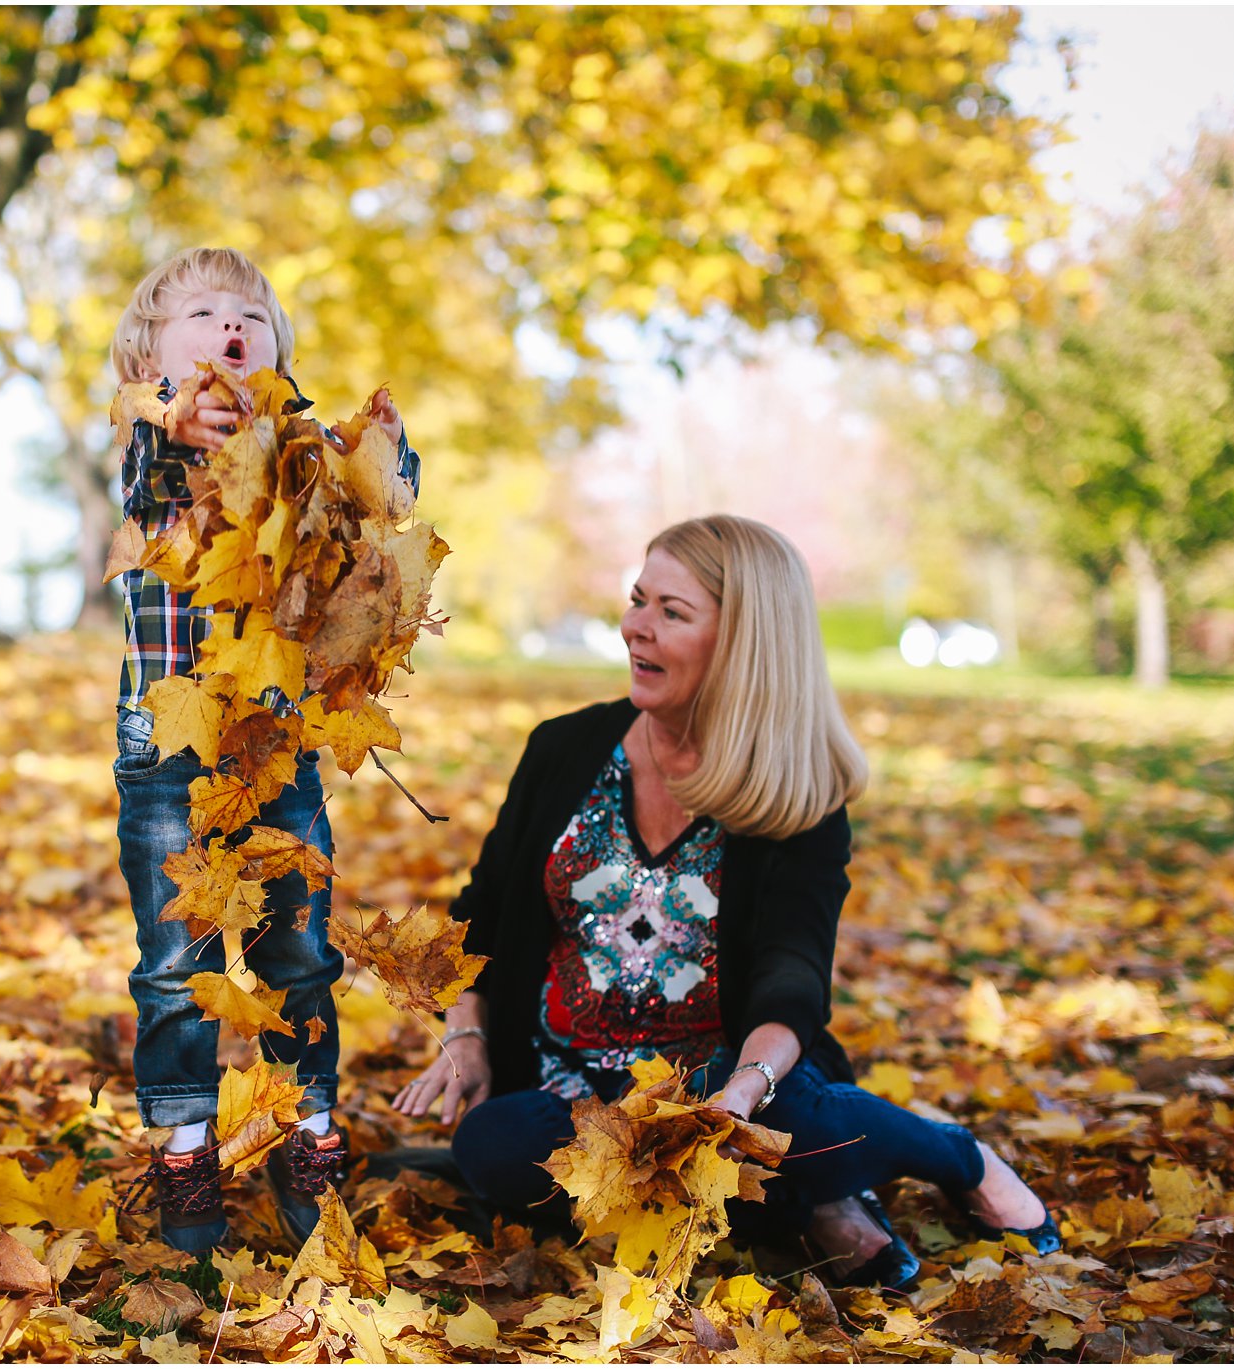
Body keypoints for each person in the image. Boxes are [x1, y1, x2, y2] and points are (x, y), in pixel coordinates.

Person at [393, 514, 1057, 1288]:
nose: (634, 627)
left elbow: (792, 971)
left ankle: (956, 1157)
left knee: (785, 1125)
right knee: (492, 1145)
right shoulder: (563, 750)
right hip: (567, 1095)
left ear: (744, 642)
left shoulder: (795, 792)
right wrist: (465, 1038)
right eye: (638, 600)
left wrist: (744, 1090)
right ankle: (815, 1201)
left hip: (725, 1080)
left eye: (671, 613)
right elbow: (479, 920)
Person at [112, 247, 418, 1255]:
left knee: (298, 951)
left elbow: (381, 508)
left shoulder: (300, 455)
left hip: (277, 744)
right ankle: (185, 1148)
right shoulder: (151, 439)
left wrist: (383, 457)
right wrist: (172, 412)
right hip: (170, 747)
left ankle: (306, 1131)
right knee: (176, 962)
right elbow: (148, 431)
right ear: (151, 354)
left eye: (247, 316)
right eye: (199, 314)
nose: (228, 329)